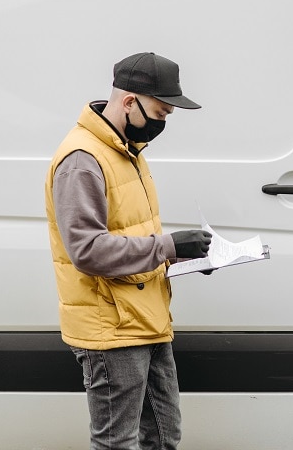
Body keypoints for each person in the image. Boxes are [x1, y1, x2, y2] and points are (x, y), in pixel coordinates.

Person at [44, 52, 213, 450]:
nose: (163, 122)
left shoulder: (126, 151)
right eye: (161, 111)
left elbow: (130, 236)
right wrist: (168, 245)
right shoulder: (82, 160)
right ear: (129, 102)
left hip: (147, 319)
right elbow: (87, 250)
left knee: (163, 438)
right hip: (111, 329)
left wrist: (181, 256)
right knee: (117, 443)